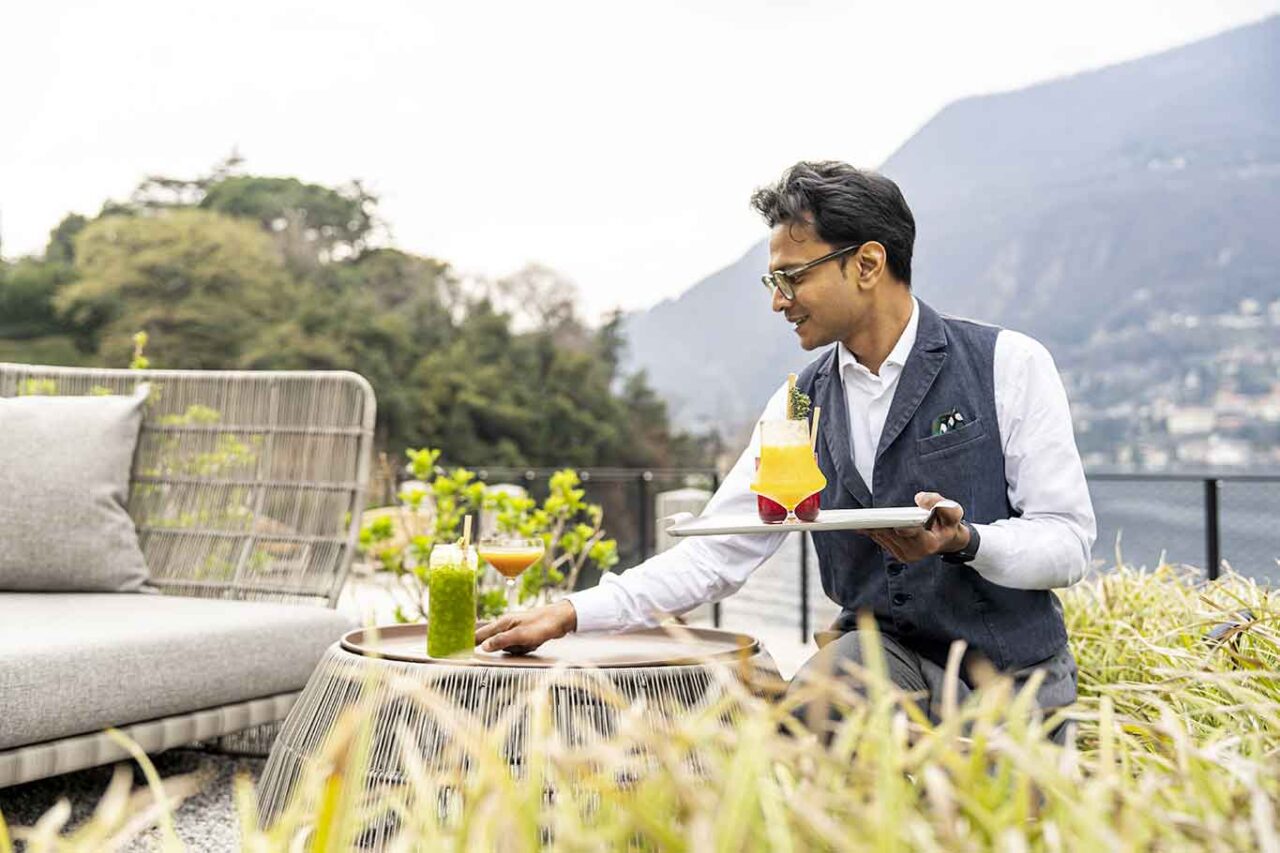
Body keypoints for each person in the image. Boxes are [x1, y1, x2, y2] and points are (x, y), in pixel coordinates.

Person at [476, 160, 1096, 732]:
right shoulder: (799, 404)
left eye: (792, 277)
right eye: (772, 281)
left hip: (1013, 681)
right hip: (880, 658)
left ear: (868, 264)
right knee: (811, 716)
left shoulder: (1007, 363)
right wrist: (572, 612)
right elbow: (715, 553)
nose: (778, 300)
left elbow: (1067, 543)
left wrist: (967, 541)